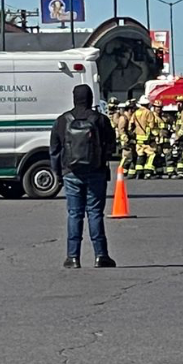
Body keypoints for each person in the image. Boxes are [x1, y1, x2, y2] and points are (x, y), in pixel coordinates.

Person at [49, 85, 116, 269]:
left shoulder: (63, 120)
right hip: (96, 172)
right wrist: (102, 159)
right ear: (90, 98)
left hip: (71, 172)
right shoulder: (100, 120)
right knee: (95, 213)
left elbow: (54, 149)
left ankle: (73, 257)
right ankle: (101, 255)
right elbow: (112, 144)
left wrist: (58, 172)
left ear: (74, 98)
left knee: (74, 214)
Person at [132, 95, 163, 179]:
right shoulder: (148, 113)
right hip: (146, 139)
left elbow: (131, 125)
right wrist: (157, 135)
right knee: (152, 154)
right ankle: (148, 172)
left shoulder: (136, 113)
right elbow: (152, 126)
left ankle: (138, 173)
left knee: (140, 155)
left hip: (138, 139)